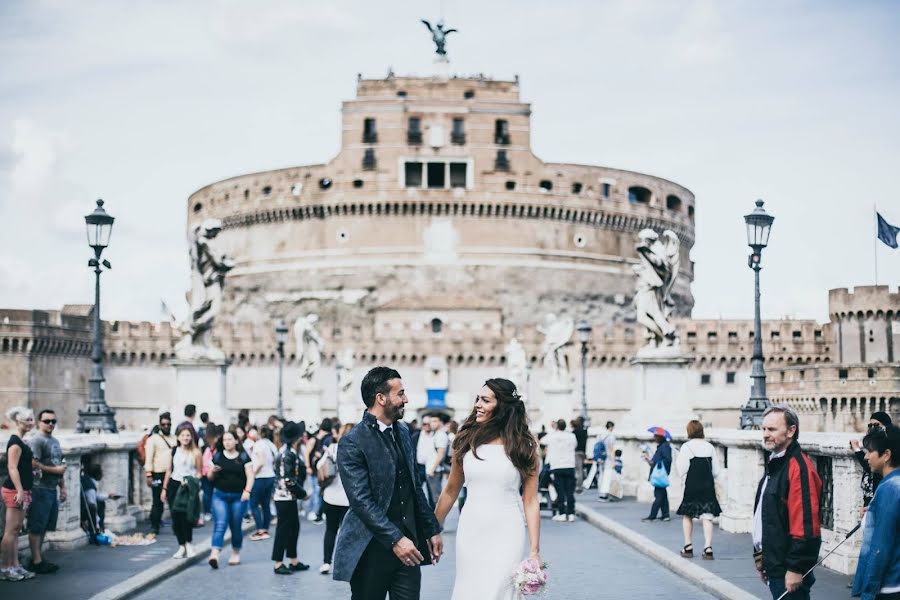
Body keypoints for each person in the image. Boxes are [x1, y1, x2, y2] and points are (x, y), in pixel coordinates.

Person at [332, 367, 443, 600]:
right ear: (380, 398)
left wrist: (432, 529)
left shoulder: (403, 433)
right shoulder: (352, 442)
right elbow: (361, 502)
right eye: (400, 394)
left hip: (408, 547)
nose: (406, 399)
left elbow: (414, 487)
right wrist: (395, 538)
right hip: (369, 549)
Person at [433, 378, 542, 600]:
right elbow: (451, 491)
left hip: (508, 529)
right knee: (471, 589)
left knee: (500, 590)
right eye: (477, 399)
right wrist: (433, 528)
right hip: (471, 528)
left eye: (485, 400)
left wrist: (534, 550)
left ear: (502, 406)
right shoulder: (465, 441)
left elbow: (530, 501)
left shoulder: (524, 446)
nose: (477, 405)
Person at [753, 405, 822, 600]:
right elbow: (766, 515)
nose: (765, 434)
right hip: (774, 563)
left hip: (787, 567)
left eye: (772, 429)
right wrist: (761, 560)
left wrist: (795, 567)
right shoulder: (776, 462)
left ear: (791, 431)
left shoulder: (798, 468)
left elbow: (805, 524)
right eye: (763, 429)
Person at [852, 425, 900, 600]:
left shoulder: (889, 488)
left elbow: (880, 546)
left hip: (888, 586)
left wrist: (867, 592)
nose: (865, 456)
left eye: (869, 451)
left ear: (886, 455)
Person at [27, 408, 67, 574]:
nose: (50, 424)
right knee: (36, 526)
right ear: (39, 422)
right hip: (40, 488)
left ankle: (39, 558)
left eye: (53, 421)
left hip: (52, 489)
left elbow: (60, 464)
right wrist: (55, 471)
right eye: (47, 421)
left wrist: (63, 486)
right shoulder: (37, 440)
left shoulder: (55, 441)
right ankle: (36, 560)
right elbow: (33, 464)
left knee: (44, 526)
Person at [207, 430, 255, 568]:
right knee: (220, 523)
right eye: (224, 440)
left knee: (235, 524)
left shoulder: (244, 456)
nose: (227, 442)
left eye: (230, 439)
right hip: (220, 495)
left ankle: (235, 552)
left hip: (238, 496)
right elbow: (210, 478)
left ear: (236, 441)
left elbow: (250, 476)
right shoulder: (217, 456)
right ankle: (215, 553)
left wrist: (247, 491)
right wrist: (212, 471)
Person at [676, 420, 721, 560]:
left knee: (688, 514)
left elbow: (681, 470)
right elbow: (716, 471)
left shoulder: (686, 447)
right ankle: (708, 547)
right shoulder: (709, 447)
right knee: (707, 516)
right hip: (707, 485)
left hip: (692, 485)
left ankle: (688, 545)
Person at [1, 406, 37, 581]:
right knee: (10, 531)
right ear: (18, 421)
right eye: (28, 420)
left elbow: (22, 467)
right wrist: (20, 490)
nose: (32, 423)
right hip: (15, 490)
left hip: (22, 489)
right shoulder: (15, 442)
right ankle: (5, 567)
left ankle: (15, 565)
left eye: (32, 419)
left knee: (15, 531)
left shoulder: (22, 441)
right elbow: (12, 467)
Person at [272, 421, 310, 574]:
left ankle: (293, 560)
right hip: (284, 497)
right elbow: (288, 480)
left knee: (293, 528)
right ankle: (278, 563)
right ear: (297, 438)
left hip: (287, 497)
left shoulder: (288, 452)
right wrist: (303, 494)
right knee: (283, 530)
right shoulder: (288, 454)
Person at [161, 423, 203, 558]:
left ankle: (189, 544)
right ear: (178, 437)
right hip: (175, 484)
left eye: (188, 435)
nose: (185, 438)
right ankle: (181, 545)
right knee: (176, 517)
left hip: (188, 486)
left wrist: (191, 482)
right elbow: (169, 470)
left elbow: (199, 472)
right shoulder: (173, 451)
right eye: (183, 435)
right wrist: (164, 488)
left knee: (187, 516)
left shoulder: (196, 452)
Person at [320, 423, 352, 574]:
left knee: (330, 530)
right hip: (349, 499)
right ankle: (346, 564)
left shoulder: (332, 448)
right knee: (347, 532)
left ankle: (326, 562)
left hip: (330, 496)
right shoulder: (358, 449)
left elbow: (320, 466)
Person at [850, 412, 893, 513]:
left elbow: (871, 467)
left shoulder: (887, 444)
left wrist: (857, 449)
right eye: (870, 425)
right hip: (870, 505)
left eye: (876, 425)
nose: (873, 428)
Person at [144, 412, 175, 535]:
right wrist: (149, 474)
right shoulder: (153, 439)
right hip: (158, 473)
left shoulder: (174, 438)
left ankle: (176, 525)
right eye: (163, 424)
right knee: (157, 501)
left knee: (173, 500)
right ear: (160, 425)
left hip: (172, 473)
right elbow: (149, 457)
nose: (166, 426)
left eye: (168, 424)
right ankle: (154, 525)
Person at [545, 418, 577, 522]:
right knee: (570, 492)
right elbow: (575, 445)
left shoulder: (552, 436)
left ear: (557, 426)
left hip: (557, 466)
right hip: (569, 465)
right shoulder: (571, 436)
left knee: (560, 491)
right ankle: (571, 513)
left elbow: (542, 441)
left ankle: (562, 513)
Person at [249, 426, 277, 541]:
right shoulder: (272, 445)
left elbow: (260, 461)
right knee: (265, 504)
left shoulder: (259, 444)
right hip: (270, 475)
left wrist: (253, 473)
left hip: (260, 477)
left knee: (254, 504)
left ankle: (260, 530)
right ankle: (265, 529)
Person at [305, 418, 333, 524]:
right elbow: (307, 453)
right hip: (315, 469)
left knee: (319, 491)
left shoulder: (322, 439)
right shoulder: (315, 439)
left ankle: (317, 512)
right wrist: (308, 466)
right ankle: (314, 511)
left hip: (319, 469)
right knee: (316, 491)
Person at [641, 432, 672, 522]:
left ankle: (652, 516)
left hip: (660, 475)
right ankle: (665, 515)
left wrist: (656, 463)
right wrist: (649, 460)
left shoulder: (665, 446)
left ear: (660, 437)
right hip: (659, 474)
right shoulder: (662, 446)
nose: (654, 438)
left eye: (656, 436)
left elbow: (667, 460)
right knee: (663, 496)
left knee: (658, 496)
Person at [427, 414, 450, 503]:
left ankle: (438, 517)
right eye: (431, 422)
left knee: (436, 499)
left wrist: (432, 470)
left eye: (435, 421)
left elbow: (440, 454)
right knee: (432, 499)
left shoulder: (440, 435)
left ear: (440, 422)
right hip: (431, 470)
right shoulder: (435, 434)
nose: (432, 424)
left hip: (435, 471)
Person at [200, 424, 220, 521]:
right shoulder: (214, 445)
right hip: (209, 471)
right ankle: (209, 511)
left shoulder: (204, 443)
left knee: (207, 493)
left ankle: (208, 511)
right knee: (210, 493)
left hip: (206, 472)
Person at [414, 417, 435, 506]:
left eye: (428, 424)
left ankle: (434, 514)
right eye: (424, 424)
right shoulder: (417, 435)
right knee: (416, 492)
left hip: (432, 468)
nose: (426, 426)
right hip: (419, 467)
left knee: (433, 494)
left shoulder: (436, 435)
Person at [596, 421, 617, 501]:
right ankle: (605, 494)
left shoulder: (600, 435)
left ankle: (601, 493)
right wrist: (613, 460)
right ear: (611, 427)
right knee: (607, 476)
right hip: (608, 458)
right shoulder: (611, 436)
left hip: (601, 458)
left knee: (601, 475)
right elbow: (612, 449)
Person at [572, 417, 588, 493]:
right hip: (583, 451)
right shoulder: (585, 431)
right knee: (580, 469)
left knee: (578, 470)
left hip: (576, 451)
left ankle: (578, 486)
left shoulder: (575, 431)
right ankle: (579, 485)